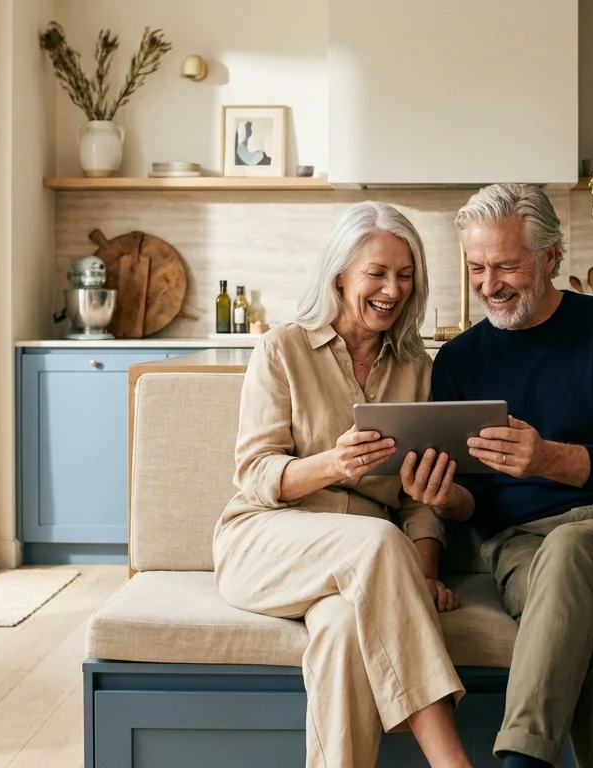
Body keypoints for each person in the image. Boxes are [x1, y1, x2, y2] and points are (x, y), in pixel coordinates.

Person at [411, 183, 593, 768]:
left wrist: (547, 459)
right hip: (520, 547)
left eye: (507, 266)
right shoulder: (459, 361)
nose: (489, 284)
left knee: (572, 547)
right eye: (477, 267)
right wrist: (447, 497)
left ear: (551, 257)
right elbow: (477, 505)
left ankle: (521, 760)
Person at [213, 201, 473, 768]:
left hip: (361, 569)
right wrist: (334, 465)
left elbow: (416, 501)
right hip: (266, 541)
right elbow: (255, 474)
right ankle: (453, 761)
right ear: (339, 274)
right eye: (376, 274)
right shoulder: (282, 348)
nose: (392, 289)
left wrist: (423, 574)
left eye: (405, 276)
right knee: (381, 544)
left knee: (341, 634)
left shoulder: (416, 367)